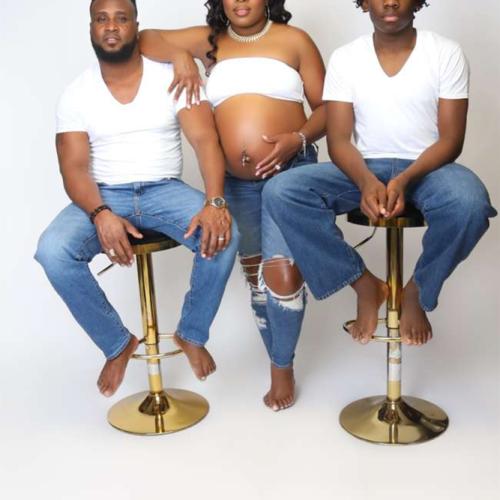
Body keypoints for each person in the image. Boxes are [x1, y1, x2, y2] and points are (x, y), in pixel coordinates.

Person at [35, 0, 239, 398]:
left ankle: (192, 333)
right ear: (91, 29)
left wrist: (215, 203)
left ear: (136, 26)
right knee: (52, 251)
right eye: (102, 19)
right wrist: (100, 213)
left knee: (227, 235)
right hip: (104, 194)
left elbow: (205, 141)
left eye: (121, 18)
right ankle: (117, 344)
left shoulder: (174, 75)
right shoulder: (76, 94)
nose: (111, 26)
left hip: (164, 189)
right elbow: (73, 169)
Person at [262, 0, 496, 347]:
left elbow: (451, 140)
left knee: (470, 203)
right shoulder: (346, 58)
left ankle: (417, 291)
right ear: (364, 3)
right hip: (363, 166)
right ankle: (364, 284)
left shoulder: (445, 52)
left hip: (429, 168)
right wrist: (366, 182)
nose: (389, 1)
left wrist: (404, 179)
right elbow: (339, 140)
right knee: (281, 191)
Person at [140, 0, 326, 411]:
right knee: (258, 278)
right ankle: (278, 358)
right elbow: (145, 39)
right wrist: (180, 56)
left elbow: (329, 108)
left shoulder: (295, 40)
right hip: (235, 184)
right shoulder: (210, 41)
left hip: (289, 174)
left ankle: (282, 366)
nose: (241, 1)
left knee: (283, 275)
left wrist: (297, 138)